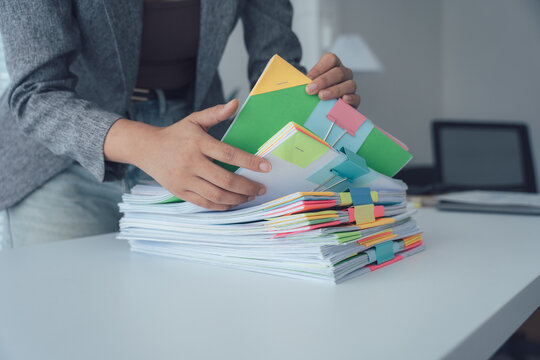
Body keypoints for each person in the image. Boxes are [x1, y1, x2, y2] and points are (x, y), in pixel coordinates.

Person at [0, 0, 360, 248]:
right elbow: (36, 93)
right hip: (62, 160)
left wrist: (312, 94)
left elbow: (276, 63)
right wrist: (149, 145)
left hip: (199, 146)